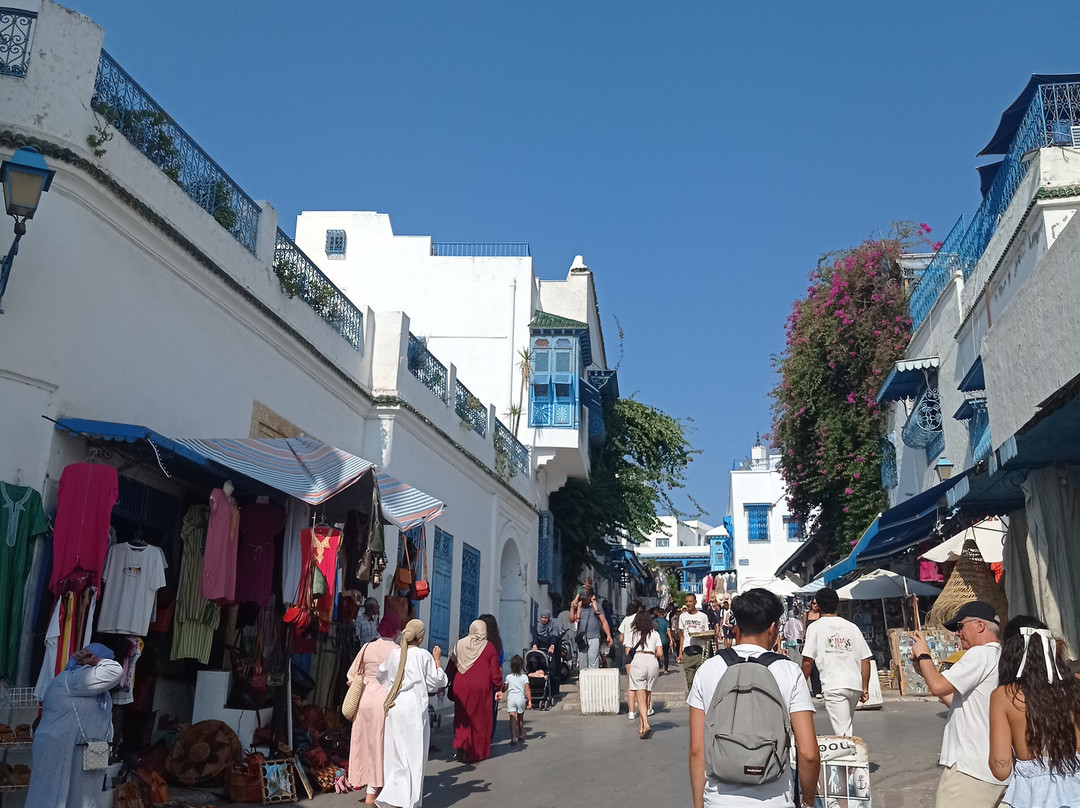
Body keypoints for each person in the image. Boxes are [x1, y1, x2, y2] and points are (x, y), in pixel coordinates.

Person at [688, 588, 820, 808]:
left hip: (720, 800)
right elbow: (808, 754)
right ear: (773, 628)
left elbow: (697, 749)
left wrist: (699, 804)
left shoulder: (708, 670)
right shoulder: (789, 672)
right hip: (776, 800)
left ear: (736, 626)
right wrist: (807, 801)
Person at [910, 600, 1009, 808]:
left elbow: (938, 687)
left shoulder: (980, 654)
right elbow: (957, 701)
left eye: (960, 626)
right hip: (996, 767)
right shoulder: (1003, 656)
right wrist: (925, 670)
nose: (957, 633)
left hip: (970, 769)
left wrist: (924, 654)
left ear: (980, 625)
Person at [989, 616, 1080, 806]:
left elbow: (1001, 768)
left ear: (1009, 653)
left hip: (1035, 796)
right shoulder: (1077, 685)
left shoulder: (1004, 696)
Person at [27, 643, 124, 808]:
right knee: (53, 795)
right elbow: (115, 671)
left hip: (73, 748)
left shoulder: (80, 683)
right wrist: (94, 659)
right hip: (60, 747)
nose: (104, 662)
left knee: (68, 795)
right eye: (102, 659)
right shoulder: (76, 678)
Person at [376, 619, 447, 808]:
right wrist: (437, 660)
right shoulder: (424, 656)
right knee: (415, 755)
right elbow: (437, 681)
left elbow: (381, 674)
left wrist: (392, 684)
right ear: (421, 638)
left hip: (395, 707)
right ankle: (410, 800)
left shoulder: (393, 655)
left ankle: (394, 796)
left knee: (396, 754)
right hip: (415, 708)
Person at [800, 587, 871, 737]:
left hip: (834, 685)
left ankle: (850, 758)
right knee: (846, 726)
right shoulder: (852, 627)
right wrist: (865, 687)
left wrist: (800, 684)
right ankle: (849, 756)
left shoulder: (815, 628)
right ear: (837, 604)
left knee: (843, 733)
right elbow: (865, 659)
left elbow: (807, 661)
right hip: (854, 685)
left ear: (817, 605)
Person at [345, 613, 401, 805]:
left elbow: (352, 674)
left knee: (364, 742)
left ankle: (366, 783)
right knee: (380, 745)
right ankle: (374, 791)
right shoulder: (398, 651)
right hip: (384, 701)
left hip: (364, 699)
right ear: (396, 631)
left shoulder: (367, 647)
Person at [446, 619, 503, 763]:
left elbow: (451, 665)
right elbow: (494, 671)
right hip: (481, 688)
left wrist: (444, 683)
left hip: (461, 686)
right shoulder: (489, 647)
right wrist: (498, 687)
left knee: (461, 716)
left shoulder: (460, 644)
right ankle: (475, 752)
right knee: (479, 719)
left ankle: (461, 745)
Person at [628, 609, 663, 739]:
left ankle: (646, 724)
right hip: (652, 662)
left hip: (639, 661)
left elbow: (627, 650)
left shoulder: (634, 633)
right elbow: (660, 653)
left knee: (640, 697)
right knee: (647, 694)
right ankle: (642, 725)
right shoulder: (655, 634)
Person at [569, 586, 612, 670]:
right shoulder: (578, 607)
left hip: (594, 637)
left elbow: (604, 621)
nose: (584, 600)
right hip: (582, 638)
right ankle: (584, 681)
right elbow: (571, 620)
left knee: (593, 661)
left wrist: (608, 635)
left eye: (585, 598)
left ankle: (592, 681)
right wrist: (571, 608)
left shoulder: (596, 607)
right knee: (582, 662)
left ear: (590, 597)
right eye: (582, 599)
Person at [478, 613, 504, 742]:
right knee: (491, 710)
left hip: (477, 680)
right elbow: (499, 666)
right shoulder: (497, 643)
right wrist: (499, 684)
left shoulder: (474, 641)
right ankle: (488, 735)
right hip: (492, 682)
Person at [678, 593, 712, 690]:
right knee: (690, 680)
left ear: (695, 602)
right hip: (687, 651)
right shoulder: (682, 617)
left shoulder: (703, 616)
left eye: (690, 601)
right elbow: (682, 635)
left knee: (700, 680)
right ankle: (692, 701)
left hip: (700, 651)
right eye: (687, 602)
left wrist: (702, 637)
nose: (688, 604)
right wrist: (680, 653)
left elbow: (707, 633)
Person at [618, 600, 642, 719]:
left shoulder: (626, 620)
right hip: (640, 652)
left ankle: (631, 711)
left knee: (631, 682)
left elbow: (621, 638)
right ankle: (644, 708)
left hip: (627, 651)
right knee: (641, 683)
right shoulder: (641, 619)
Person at [531, 607, 562, 696]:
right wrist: (535, 645)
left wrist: (552, 645)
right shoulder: (537, 626)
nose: (544, 620)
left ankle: (553, 691)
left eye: (546, 618)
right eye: (542, 618)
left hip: (551, 650)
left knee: (553, 670)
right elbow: (535, 637)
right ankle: (538, 690)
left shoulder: (553, 625)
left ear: (549, 618)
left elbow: (554, 637)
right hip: (540, 650)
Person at [503, 655, 532, 746]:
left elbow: (504, 688)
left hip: (511, 699)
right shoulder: (524, 677)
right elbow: (527, 689)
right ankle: (520, 733)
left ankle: (513, 737)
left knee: (512, 718)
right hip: (520, 699)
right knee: (520, 717)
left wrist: (500, 688)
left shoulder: (508, 677)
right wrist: (530, 701)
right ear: (521, 666)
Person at [804, 597, 822, 696]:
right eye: (813, 603)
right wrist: (803, 640)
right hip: (809, 642)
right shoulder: (806, 614)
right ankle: (816, 690)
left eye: (817, 604)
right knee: (812, 667)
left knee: (820, 665)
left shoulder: (821, 615)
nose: (815, 605)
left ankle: (821, 688)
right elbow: (804, 629)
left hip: (820, 643)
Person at [653, 607, 673, 675]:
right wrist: (671, 639)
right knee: (666, 655)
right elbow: (668, 630)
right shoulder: (666, 622)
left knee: (657, 655)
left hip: (656, 641)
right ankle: (666, 670)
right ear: (664, 614)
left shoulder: (655, 621)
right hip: (664, 640)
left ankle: (657, 669)